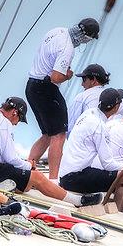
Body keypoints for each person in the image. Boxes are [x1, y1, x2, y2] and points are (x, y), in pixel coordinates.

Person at [0, 96, 103, 207]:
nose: (16, 123)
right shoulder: (3, 122)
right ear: (14, 112)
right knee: (37, 177)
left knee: (26, 180)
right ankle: (79, 201)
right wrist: (29, 165)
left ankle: (5, 183)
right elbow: (10, 158)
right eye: (18, 119)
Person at [25, 18, 100, 180]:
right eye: (89, 39)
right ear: (85, 36)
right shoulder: (68, 48)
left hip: (31, 85)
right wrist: (68, 75)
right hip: (46, 88)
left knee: (47, 134)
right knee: (59, 134)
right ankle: (53, 179)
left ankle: (26, 168)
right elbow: (56, 77)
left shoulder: (57, 30)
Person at [59, 89, 123, 214]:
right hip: (75, 178)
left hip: (66, 174)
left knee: (121, 176)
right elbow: (108, 164)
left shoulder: (88, 113)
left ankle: (116, 215)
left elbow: (115, 109)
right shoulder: (99, 127)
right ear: (116, 107)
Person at [67, 63, 111, 131]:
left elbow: (70, 125)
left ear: (93, 80)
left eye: (84, 79)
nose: (82, 84)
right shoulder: (111, 97)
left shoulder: (82, 96)